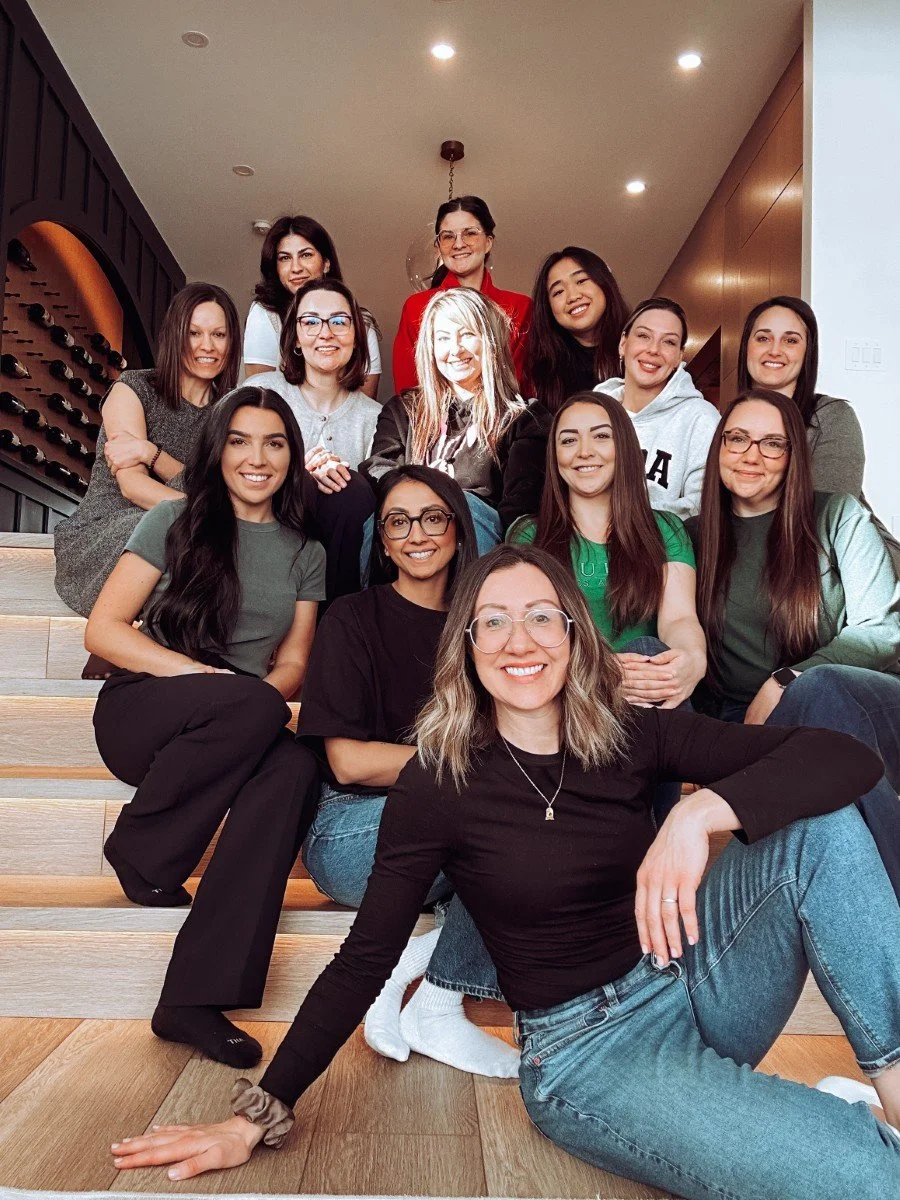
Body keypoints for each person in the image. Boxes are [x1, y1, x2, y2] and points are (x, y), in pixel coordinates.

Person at [110, 544, 899, 1199]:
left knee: (819, 830)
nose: (518, 642)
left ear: (572, 632)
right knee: (866, 1180)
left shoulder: (630, 735)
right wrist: (256, 1116)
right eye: (493, 622)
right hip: (589, 1056)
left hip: (688, 978)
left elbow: (847, 759)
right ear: (467, 647)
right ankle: (823, 1128)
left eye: (538, 618)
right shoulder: (439, 782)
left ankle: (889, 1094)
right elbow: (364, 959)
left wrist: (701, 814)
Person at [86, 387, 325, 1064]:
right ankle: (143, 847)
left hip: (236, 724)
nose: (258, 457)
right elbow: (104, 632)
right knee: (252, 706)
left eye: (275, 443)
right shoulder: (173, 520)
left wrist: (249, 702)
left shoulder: (304, 550)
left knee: (297, 767)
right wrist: (208, 683)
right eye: (242, 441)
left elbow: (296, 662)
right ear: (218, 451)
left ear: (292, 457)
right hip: (145, 709)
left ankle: (191, 999)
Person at [297, 464, 517, 1076]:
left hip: (455, 832)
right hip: (351, 837)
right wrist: (476, 770)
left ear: (456, 528)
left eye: (432, 517)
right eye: (398, 521)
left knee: (542, 827)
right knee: (504, 808)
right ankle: (438, 999)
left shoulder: (483, 629)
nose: (416, 533)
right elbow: (350, 760)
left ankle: (430, 987)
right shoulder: (351, 618)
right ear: (383, 540)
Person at [690, 387, 900, 895]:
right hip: (747, 724)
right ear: (718, 448)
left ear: (793, 458)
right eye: (737, 438)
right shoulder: (691, 537)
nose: (751, 455)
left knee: (819, 689)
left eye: (772, 444)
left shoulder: (838, 516)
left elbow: (884, 631)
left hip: (859, 706)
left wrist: (787, 680)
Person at [508, 392, 705, 821]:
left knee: (654, 654)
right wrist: (605, 670)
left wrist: (690, 661)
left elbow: (679, 618)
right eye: (568, 440)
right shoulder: (529, 537)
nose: (584, 452)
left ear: (624, 448)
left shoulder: (664, 530)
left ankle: (642, 837)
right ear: (554, 455)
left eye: (601, 436)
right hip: (568, 696)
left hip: (646, 701)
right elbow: (530, 639)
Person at [54, 283, 241, 617]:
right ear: (174, 336)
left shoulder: (230, 415)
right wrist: (211, 511)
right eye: (194, 333)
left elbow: (220, 487)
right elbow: (134, 487)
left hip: (185, 530)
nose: (207, 346)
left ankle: (126, 641)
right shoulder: (133, 389)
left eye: (219, 335)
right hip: (111, 529)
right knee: (176, 533)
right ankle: (114, 632)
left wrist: (152, 453)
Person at [737, 294, 900, 571]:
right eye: (763, 338)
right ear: (746, 348)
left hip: (853, 570)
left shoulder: (831, 417)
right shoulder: (727, 427)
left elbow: (826, 521)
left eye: (791, 340)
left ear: (807, 352)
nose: (775, 350)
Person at [362, 288, 526, 554]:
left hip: (475, 533)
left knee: (468, 507)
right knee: (378, 520)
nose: (455, 349)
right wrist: (422, 500)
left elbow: (519, 504)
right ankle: (376, 597)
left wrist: (449, 502)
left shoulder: (521, 418)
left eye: (468, 335)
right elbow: (379, 468)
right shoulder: (403, 410)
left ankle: (473, 596)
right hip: (408, 519)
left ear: (490, 340)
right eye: (443, 338)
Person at [252, 277, 379, 600]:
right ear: (295, 337)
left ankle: (337, 626)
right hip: (262, 560)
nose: (326, 333)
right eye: (310, 322)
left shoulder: (378, 418)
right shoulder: (260, 394)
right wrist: (299, 475)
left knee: (352, 489)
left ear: (355, 337)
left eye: (339, 321)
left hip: (344, 579)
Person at [500, 248, 629, 526]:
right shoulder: (545, 382)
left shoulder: (640, 354)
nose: (572, 296)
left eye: (581, 281)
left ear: (604, 283)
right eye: (558, 292)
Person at [592, 297, 720, 520]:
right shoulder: (591, 412)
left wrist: (625, 521)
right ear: (623, 344)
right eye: (643, 336)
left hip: (664, 550)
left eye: (668, 342)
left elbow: (703, 506)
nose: (653, 349)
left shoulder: (701, 418)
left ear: (679, 356)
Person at [392, 196, 532, 391]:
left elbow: (520, 386)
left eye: (470, 233)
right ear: (438, 246)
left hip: (504, 418)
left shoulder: (519, 307)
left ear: (488, 242)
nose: (459, 244)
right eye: (448, 236)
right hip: (432, 419)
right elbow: (408, 389)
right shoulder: (416, 307)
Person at [243, 214, 381, 398]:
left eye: (306, 255)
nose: (296, 267)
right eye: (284, 258)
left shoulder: (361, 323)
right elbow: (258, 399)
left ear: (326, 263)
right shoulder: (265, 314)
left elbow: (365, 409)